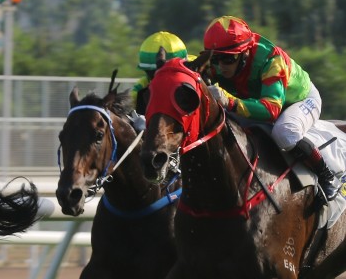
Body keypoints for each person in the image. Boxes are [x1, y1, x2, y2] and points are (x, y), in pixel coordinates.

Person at [203, 15, 339, 202]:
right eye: (215, 59)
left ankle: (326, 176)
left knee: (285, 133)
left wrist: (230, 102)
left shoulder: (271, 60)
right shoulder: (219, 63)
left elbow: (271, 111)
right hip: (258, 100)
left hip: (297, 101)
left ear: (245, 53)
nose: (220, 67)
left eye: (228, 60)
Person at [132, 31, 191, 117]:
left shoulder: (196, 77)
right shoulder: (143, 84)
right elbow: (130, 100)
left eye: (163, 72)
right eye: (152, 73)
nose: (158, 78)